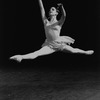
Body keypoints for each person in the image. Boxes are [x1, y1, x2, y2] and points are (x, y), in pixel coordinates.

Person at [10, 0, 94, 62]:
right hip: (50, 45)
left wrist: (61, 7)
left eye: (53, 9)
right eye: (50, 9)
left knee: (73, 51)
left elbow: (64, 16)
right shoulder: (45, 21)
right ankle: (20, 57)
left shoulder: (59, 23)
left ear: (56, 13)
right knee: (37, 53)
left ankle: (85, 52)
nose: (51, 10)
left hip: (59, 44)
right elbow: (41, 8)